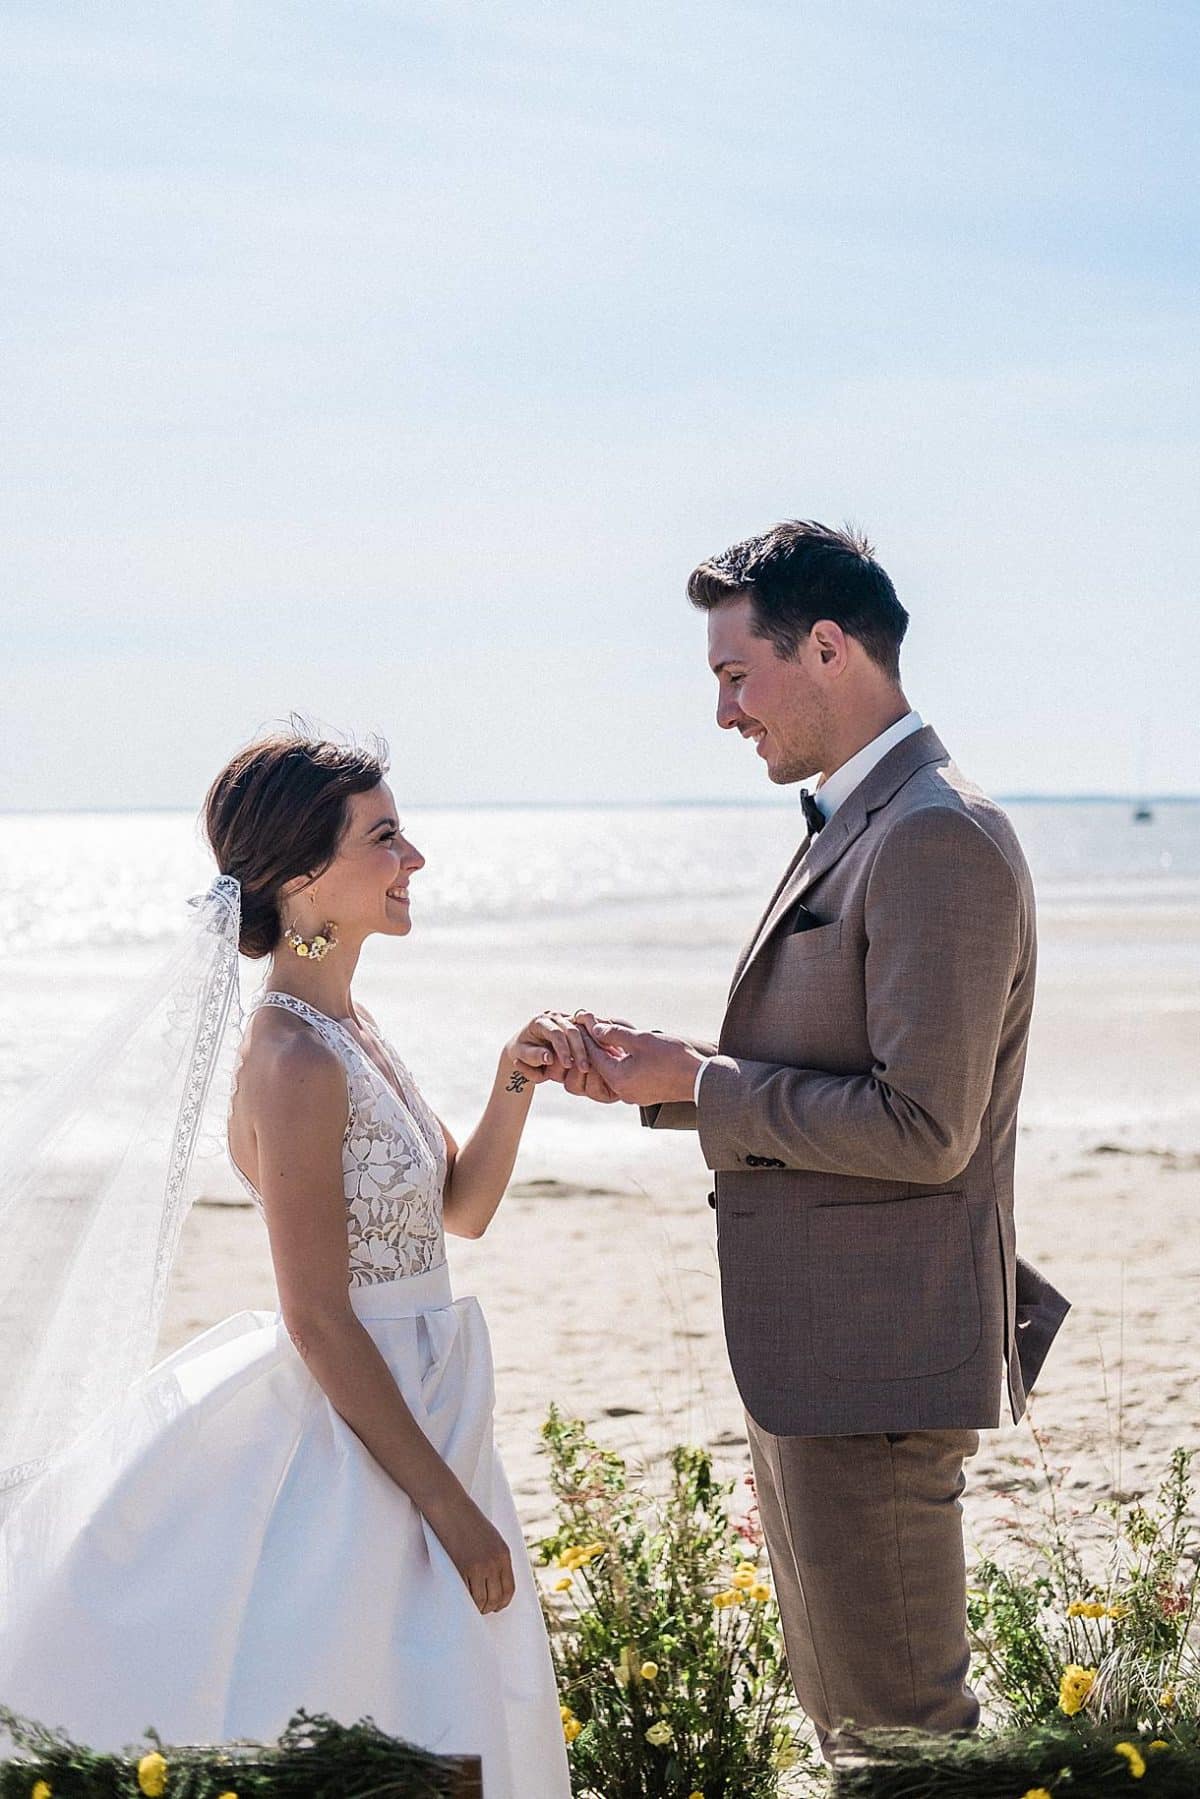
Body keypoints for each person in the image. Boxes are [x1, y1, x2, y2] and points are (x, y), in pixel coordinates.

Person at [569, 520, 1070, 1763]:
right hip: (823, 1360)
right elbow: (841, 1069)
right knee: (853, 1728)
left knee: (904, 1739)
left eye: (737, 674)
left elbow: (927, 1127)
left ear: (831, 647)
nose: (726, 710)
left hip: (878, 1365)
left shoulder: (932, 834)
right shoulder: (868, 818)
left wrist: (707, 1080)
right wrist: (669, 1078)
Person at [0, 731, 573, 1799]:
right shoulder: (294, 1054)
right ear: (304, 876)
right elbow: (315, 1314)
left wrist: (515, 1076)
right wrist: (448, 1504)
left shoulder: (347, 1020)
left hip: (429, 1391)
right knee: (388, 1697)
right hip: (357, 1429)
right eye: (387, 836)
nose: (415, 858)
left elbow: (463, 1208)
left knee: (453, 1703)